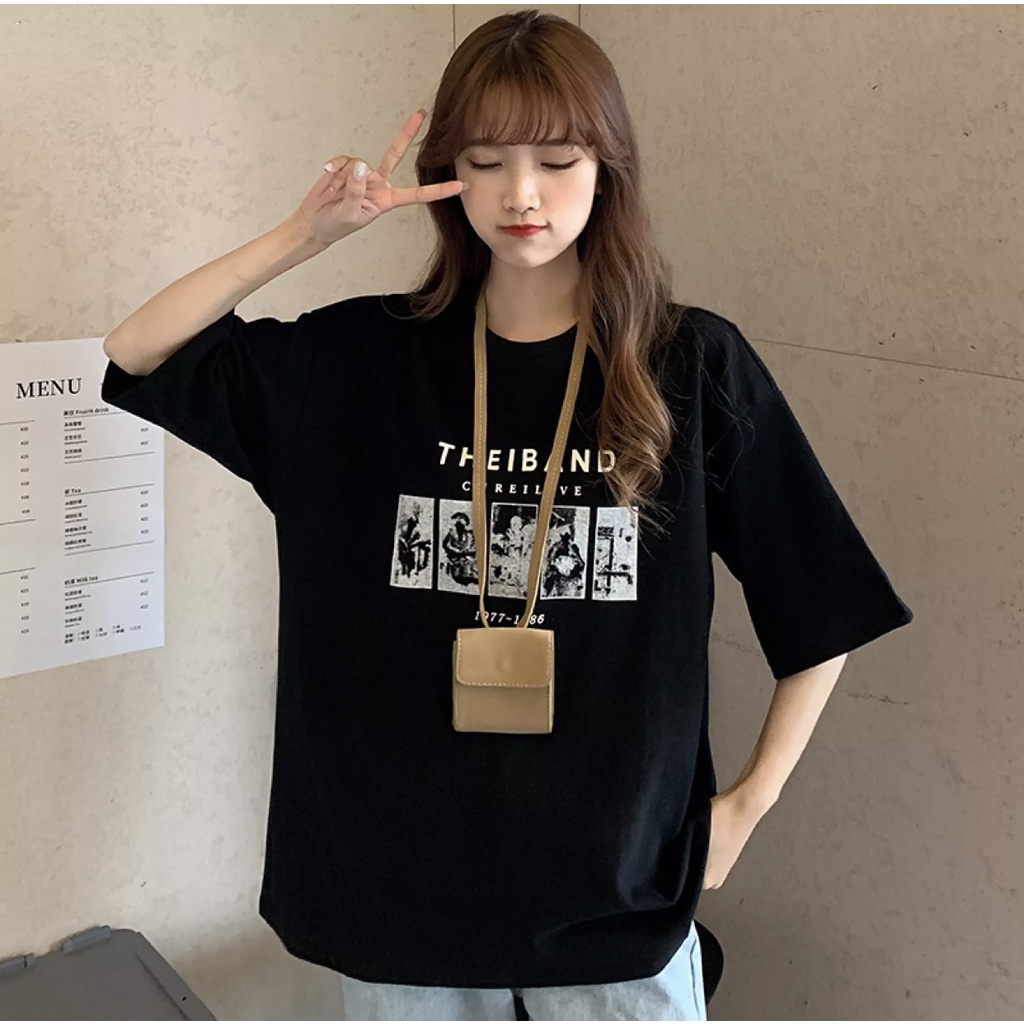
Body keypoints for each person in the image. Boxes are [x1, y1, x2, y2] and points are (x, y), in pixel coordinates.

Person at [100, 10, 914, 1020]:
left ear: (608, 168)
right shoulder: (360, 363)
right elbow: (137, 350)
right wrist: (306, 234)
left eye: (557, 160)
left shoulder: (688, 365)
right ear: (448, 173)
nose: (520, 194)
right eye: (486, 162)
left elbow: (822, 602)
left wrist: (747, 806)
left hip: (617, 902)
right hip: (396, 897)